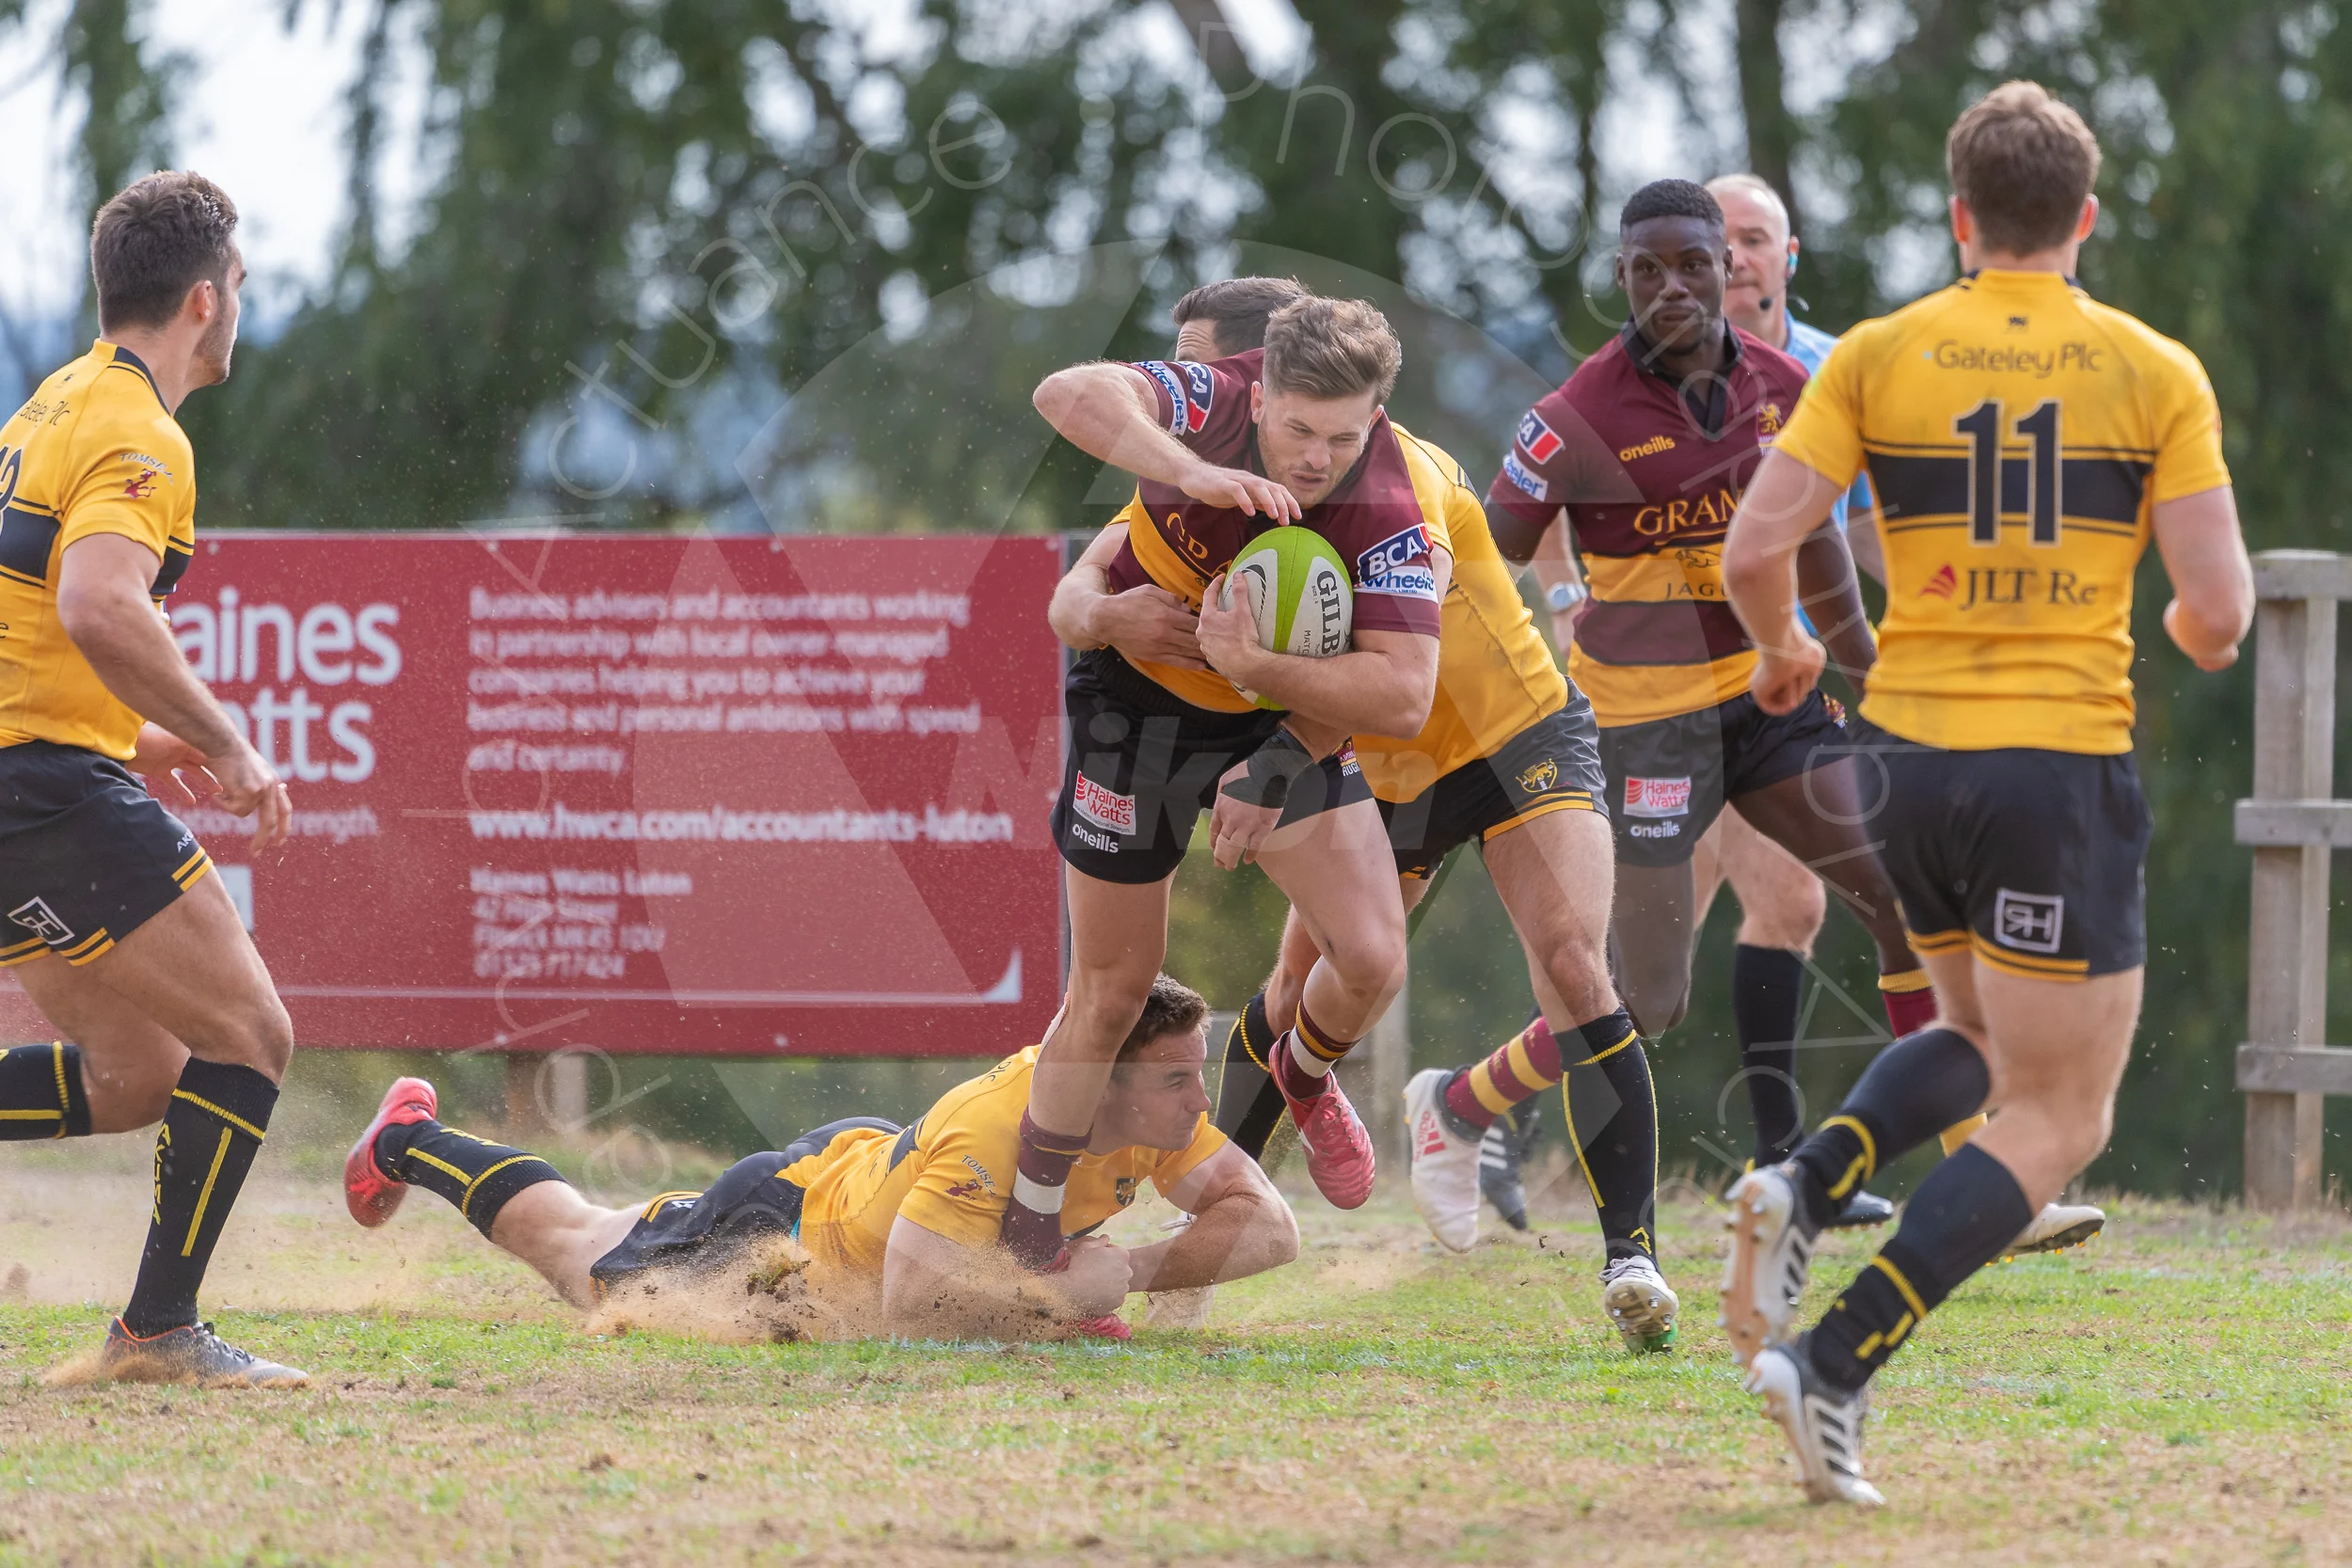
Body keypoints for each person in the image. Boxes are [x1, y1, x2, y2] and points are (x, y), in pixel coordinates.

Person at [1719, 80, 2252, 1505]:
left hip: (1901, 757)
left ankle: (1805, 1179)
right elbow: (2217, 613)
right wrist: (2181, 627)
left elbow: (1755, 547)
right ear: (2085, 216)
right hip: (2052, 769)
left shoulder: (1877, 353)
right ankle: (1834, 1358)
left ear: (1961, 217)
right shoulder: (2153, 369)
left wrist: (1781, 651)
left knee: (1968, 1031)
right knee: (2061, 1113)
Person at [1454, 181, 1939, 1244]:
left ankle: (1973, 1169)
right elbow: (1485, 564)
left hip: (1769, 706)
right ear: (1620, 278)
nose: (1672, 286)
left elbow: (1820, 536)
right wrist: (1513, 670)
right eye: (1648, 269)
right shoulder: (1575, 416)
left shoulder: (1788, 382)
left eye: (1694, 264)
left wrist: (1873, 665)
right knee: (1649, 997)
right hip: (1644, 732)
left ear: (1731, 267)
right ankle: (1464, 1102)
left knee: (1897, 895)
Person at [1706, 170, 2107, 1256]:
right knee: (1625, 974)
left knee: (1874, 894)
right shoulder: (1636, 376)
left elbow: (1868, 532)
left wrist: (1963, 617)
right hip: (1665, 701)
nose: (1735, 256)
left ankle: (1931, 1172)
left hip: (1786, 705)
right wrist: (1569, 609)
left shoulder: (1837, 367)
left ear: (1789, 256)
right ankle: (1468, 1104)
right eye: (1716, 238)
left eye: (1755, 237)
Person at [1008, 295, 1451, 1268]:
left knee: (1374, 955)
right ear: (1258, 396)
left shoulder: (1392, 502)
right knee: (1112, 991)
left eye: (1342, 436)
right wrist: (1189, 470)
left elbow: (1404, 693)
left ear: (1376, 418)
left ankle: (1302, 1069)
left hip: (1274, 720)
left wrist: (1274, 739)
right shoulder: (1210, 401)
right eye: (1297, 429)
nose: (1315, 458)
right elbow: (1064, 393)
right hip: (1137, 714)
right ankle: (1030, 1229)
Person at [0, 172, 307, 1386]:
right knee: (251, 1032)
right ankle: (158, 1331)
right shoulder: (142, 430)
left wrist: (153, 742)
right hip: (40, 792)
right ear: (203, 300)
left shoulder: (49, 403)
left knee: (138, 1076)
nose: (240, 304)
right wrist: (225, 741)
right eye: (241, 284)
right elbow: (96, 603)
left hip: (26, 777)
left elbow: (35, 636)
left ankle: (160, 1329)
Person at [342, 974, 1296, 1340]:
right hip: (783, 1221)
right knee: (579, 1252)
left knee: (608, 1234)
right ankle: (404, 1138)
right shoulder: (996, 1130)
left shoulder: (1154, 1113)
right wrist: (1059, 1296)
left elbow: (1270, 1227)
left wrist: (1131, 1269)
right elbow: (910, 1305)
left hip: (868, 1174)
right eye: (1178, 1080)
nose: (1200, 1100)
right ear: (1107, 1081)